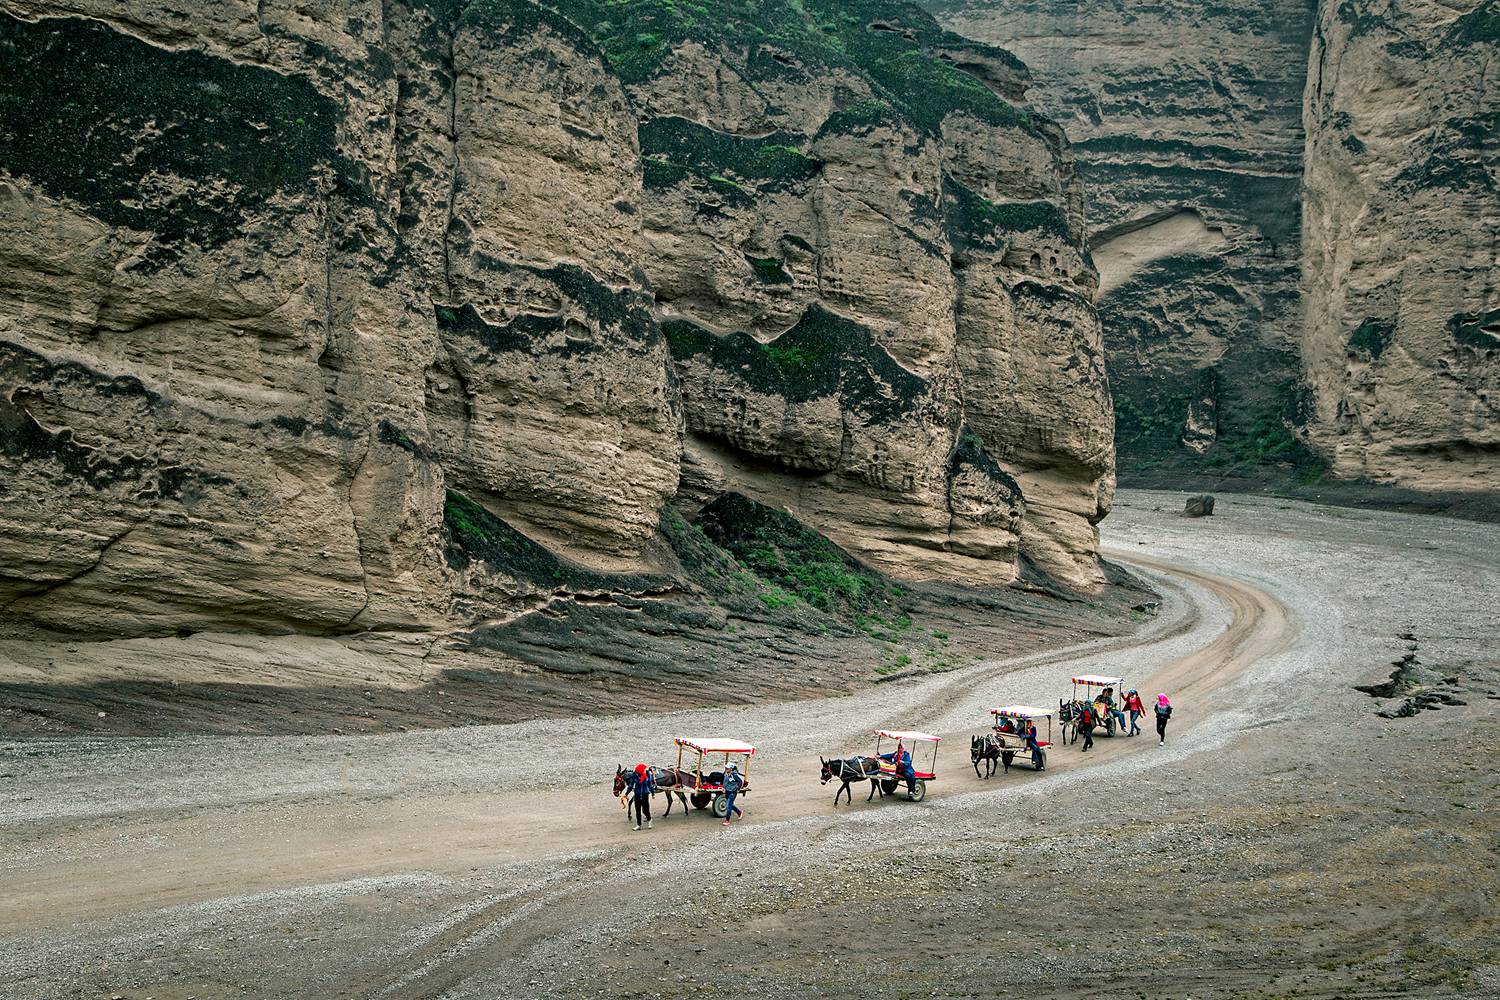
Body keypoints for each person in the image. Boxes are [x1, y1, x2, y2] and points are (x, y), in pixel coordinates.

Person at [632, 763, 655, 831]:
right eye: (644, 769)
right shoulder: (634, 775)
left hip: (645, 794)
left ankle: (649, 820)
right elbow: (631, 785)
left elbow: (650, 785)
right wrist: (626, 794)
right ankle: (638, 825)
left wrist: (653, 793)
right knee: (637, 810)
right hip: (637, 795)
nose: (645, 770)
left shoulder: (648, 775)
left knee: (645, 810)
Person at [721, 761, 745, 825]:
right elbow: (725, 781)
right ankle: (739, 812)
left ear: (731, 768)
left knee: (728, 806)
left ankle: (727, 820)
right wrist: (723, 787)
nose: (726, 769)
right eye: (726, 768)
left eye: (727, 768)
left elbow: (740, 782)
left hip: (732, 792)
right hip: (727, 791)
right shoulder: (726, 774)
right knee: (730, 804)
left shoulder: (734, 775)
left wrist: (737, 789)